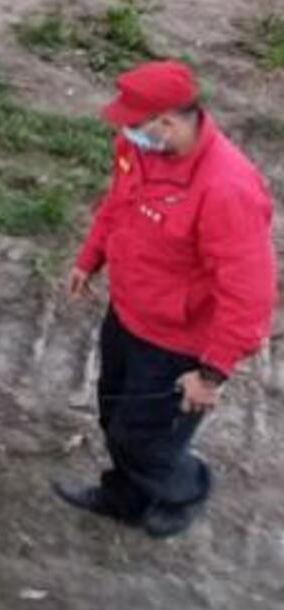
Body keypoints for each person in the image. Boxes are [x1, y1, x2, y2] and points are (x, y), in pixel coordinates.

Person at [53, 60, 275, 540]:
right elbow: (116, 205)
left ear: (168, 122)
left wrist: (211, 372)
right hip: (129, 314)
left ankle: (186, 489)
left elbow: (250, 294)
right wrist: (90, 257)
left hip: (177, 343)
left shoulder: (226, 190)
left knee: (147, 439)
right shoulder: (137, 150)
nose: (126, 133)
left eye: (134, 124)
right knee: (114, 415)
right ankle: (125, 497)